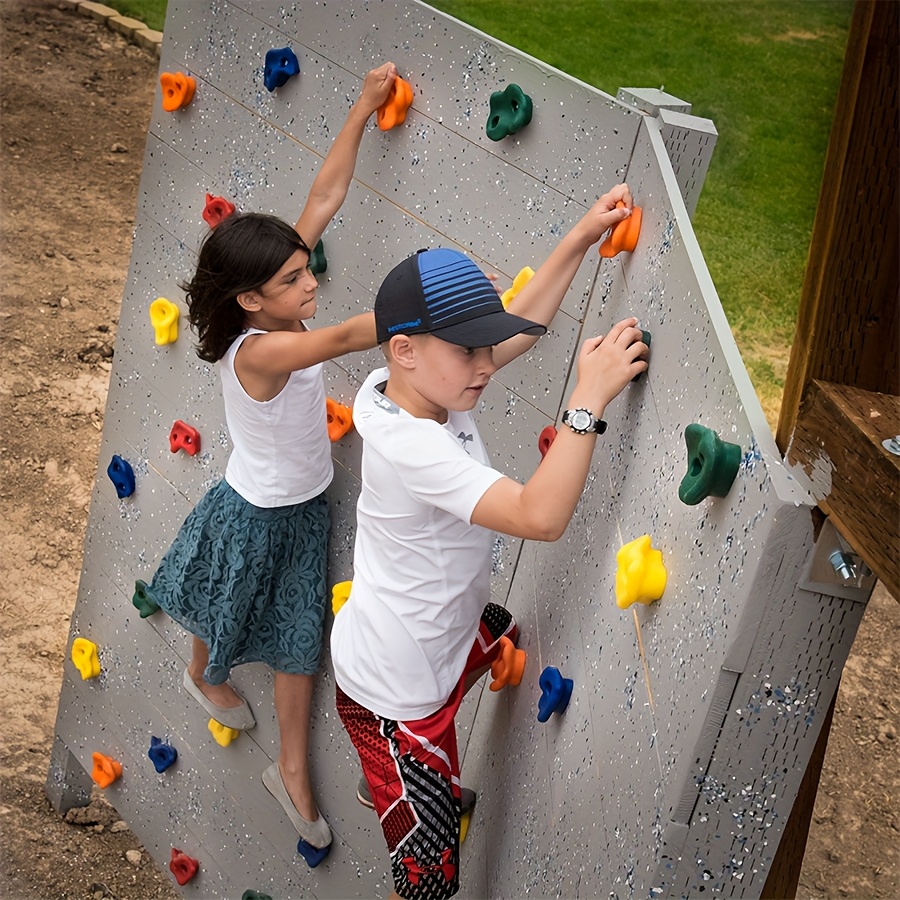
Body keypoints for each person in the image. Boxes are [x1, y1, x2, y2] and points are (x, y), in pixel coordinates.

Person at [331, 183, 648, 899]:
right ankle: (398, 782)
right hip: (395, 705)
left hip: (420, 640)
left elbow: (519, 328)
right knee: (430, 885)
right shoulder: (413, 445)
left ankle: (407, 788)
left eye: (485, 344)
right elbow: (540, 517)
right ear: (406, 349)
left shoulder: (411, 384)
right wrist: (588, 398)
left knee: (500, 627)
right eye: (470, 349)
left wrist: (580, 237)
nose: (487, 363)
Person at [142, 61, 398, 861]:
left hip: (299, 503)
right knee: (238, 608)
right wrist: (436, 296)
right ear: (252, 299)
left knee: (293, 637)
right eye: (293, 278)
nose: (308, 279)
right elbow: (346, 336)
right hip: (260, 512)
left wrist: (361, 107)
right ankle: (205, 678)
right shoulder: (260, 351)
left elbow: (323, 196)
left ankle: (289, 769)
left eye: (303, 265)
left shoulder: (273, 293)